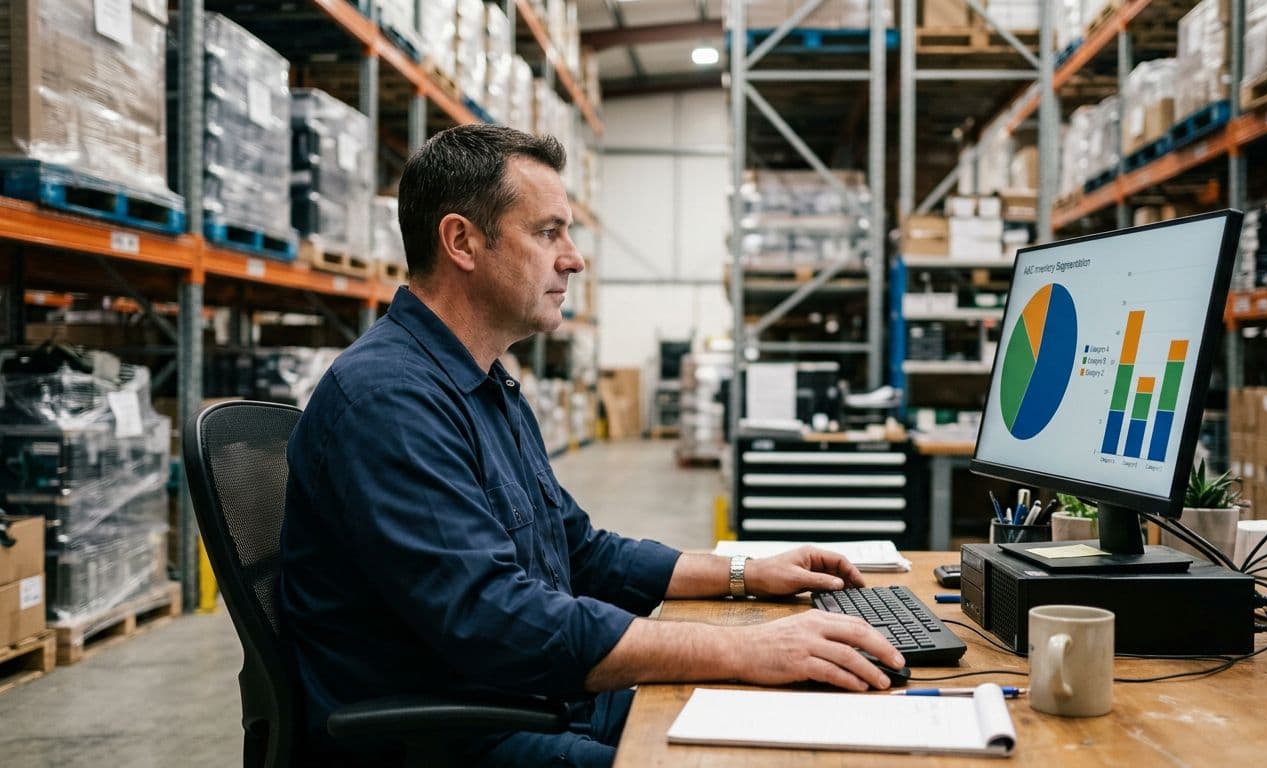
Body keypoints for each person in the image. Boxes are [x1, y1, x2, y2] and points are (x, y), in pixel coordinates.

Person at [278, 124, 903, 767]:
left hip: (532, 703)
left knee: (810, 718)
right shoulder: (390, 401)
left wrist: (746, 574)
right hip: (455, 738)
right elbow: (495, 620)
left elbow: (578, 551)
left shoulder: (483, 384)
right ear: (462, 240)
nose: (573, 258)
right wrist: (744, 649)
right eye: (548, 233)